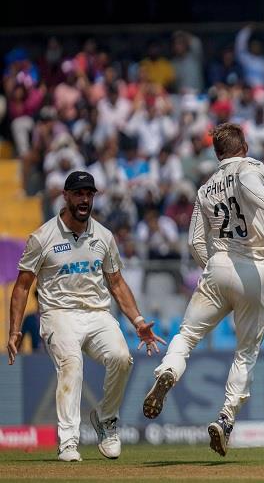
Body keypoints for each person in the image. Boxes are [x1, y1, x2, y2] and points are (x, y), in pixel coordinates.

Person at [142, 123, 264, 456]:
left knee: (186, 336)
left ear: (217, 154)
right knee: (245, 352)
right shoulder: (250, 167)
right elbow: (248, 184)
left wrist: (213, 268)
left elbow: (194, 241)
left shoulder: (205, 188)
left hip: (218, 266)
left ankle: (168, 370)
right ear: (244, 147)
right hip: (254, 269)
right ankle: (226, 418)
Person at [6, 171, 165, 462]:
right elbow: (23, 287)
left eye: (89, 194)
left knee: (121, 358)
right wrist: (15, 330)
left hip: (96, 313)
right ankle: (68, 442)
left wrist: (139, 322)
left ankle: (106, 420)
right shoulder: (42, 237)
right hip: (58, 313)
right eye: (78, 193)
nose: (84, 200)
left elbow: (116, 283)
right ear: (65, 196)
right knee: (72, 363)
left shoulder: (103, 236)